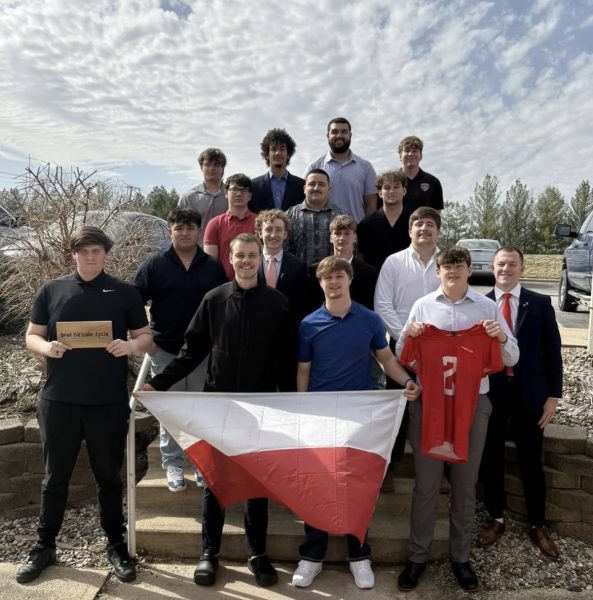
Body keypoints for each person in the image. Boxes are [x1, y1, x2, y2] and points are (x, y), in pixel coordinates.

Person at [143, 233, 295, 589]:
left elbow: (287, 360)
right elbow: (191, 352)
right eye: (240, 255)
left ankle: (257, 554)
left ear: (260, 258)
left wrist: (289, 402)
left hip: (261, 407)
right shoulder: (214, 299)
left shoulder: (278, 303)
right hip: (218, 406)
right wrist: (158, 384)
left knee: (256, 483)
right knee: (215, 481)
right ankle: (209, 553)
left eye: (252, 255)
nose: (246, 261)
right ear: (230, 258)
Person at [16, 226, 152, 585]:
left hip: (107, 402)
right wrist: (47, 348)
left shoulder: (125, 292)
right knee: (54, 478)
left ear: (106, 253)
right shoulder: (52, 290)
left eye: (97, 251)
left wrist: (130, 346)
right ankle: (45, 547)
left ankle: (116, 545)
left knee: (108, 477)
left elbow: (146, 338)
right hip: (59, 400)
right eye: (84, 251)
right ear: (73, 253)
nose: (91, 257)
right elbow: (32, 335)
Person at [395, 247, 518, 593]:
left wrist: (500, 336)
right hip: (430, 404)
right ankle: (417, 557)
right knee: (426, 485)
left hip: (472, 405)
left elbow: (512, 356)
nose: (453, 272)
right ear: (438, 272)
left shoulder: (486, 308)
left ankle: (460, 558)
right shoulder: (422, 305)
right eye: (446, 267)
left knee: (465, 485)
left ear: (469, 270)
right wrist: (411, 335)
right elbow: (404, 353)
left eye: (459, 266)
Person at [293, 256, 420, 590]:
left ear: (349, 279)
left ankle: (359, 555)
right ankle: (312, 555)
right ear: (320, 283)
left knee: (356, 486)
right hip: (321, 416)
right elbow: (304, 370)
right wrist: (302, 410)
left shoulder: (370, 319)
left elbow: (386, 358)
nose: (334, 282)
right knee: (318, 486)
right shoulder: (308, 324)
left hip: (359, 415)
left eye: (339, 276)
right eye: (327, 278)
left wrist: (407, 381)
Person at [133, 208, 227, 492]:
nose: (184, 233)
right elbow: (133, 302)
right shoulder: (154, 265)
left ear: (199, 231)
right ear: (170, 231)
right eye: (179, 228)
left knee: (200, 409)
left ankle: (200, 463)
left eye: (190, 228)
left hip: (201, 353)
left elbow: (223, 305)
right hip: (165, 349)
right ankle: (172, 463)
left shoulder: (212, 267)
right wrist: (145, 338)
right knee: (170, 410)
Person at [478, 247, 562, 558]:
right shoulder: (481, 304)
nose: (506, 269)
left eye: (512, 264)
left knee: (531, 460)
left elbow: (552, 351)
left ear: (522, 268)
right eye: (501, 264)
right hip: (494, 392)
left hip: (530, 393)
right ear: (492, 267)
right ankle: (496, 518)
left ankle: (537, 524)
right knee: (492, 456)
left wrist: (553, 396)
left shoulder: (539, 303)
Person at [374, 207, 441, 469]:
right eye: (419, 224)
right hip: (401, 347)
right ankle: (391, 466)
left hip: (440, 349)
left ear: (438, 231)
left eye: (430, 224)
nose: (424, 229)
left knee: (437, 406)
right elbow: (382, 304)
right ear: (410, 230)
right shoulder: (394, 262)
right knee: (398, 407)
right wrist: (405, 337)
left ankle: (438, 464)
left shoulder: (446, 263)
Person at [304, 117, 377, 222]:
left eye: (344, 132)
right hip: (321, 230)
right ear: (327, 136)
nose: (339, 135)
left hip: (355, 230)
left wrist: (366, 228)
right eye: (334, 132)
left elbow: (371, 203)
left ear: (350, 135)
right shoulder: (314, 167)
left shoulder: (365, 167)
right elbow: (305, 201)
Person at [307, 214, 377, 313]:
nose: (342, 238)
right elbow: (310, 305)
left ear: (355, 238)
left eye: (347, 233)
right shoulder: (315, 270)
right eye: (337, 233)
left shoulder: (369, 273)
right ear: (331, 238)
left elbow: (370, 306)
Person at [255, 208, 308, 319]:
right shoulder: (250, 262)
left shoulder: (298, 266)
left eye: (279, 230)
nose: (273, 235)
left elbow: (301, 305)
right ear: (260, 233)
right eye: (269, 229)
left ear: (285, 234)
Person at [203, 173, 257, 280]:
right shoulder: (214, 224)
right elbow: (210, 263)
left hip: (254, 282)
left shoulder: (260, 223)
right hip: (221, 283)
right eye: (234, 189)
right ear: (226, 193)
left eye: (244, 190)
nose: (239, 194)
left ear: (250, 196)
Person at [286, 169, 344, 266]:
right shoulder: (289, 216)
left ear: (329, 189)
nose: (316, 188)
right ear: (304, 188)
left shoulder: (341, 215)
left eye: (321, 184)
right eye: (312, 184)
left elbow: (350, 249)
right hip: (299, 274)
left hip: (332, 273)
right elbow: (283, 250)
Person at [357, 169, 411, 271]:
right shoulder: (366, 225)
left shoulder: (414, 223)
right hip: (375, 279)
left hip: (408, 277)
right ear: (380, 193)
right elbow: (360, 258)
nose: (392, 191)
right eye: (387, 188)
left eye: (396, 187)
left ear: (404, 191)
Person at [249, 128, 305, 213]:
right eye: (273, 149)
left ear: (288, 154)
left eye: (282, 149)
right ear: (267, 154)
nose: (278, 153)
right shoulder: (254, 186)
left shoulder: (301, 186)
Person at [178, 148, 227, 245]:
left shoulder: (232, 196)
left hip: (227, 250)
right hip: (197, 250)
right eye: (207, 165)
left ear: (222, 168)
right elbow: (179, 227)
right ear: (201, 167)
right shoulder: (189, 197)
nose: (212, 168)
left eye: (216, 165)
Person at [398, 136, 443, 216]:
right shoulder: (390, 182)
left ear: (421, 156)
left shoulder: (433, 182)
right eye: (407, 151)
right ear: (400, 156)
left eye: (414, 151)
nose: (410, 154)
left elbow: (436, 215)